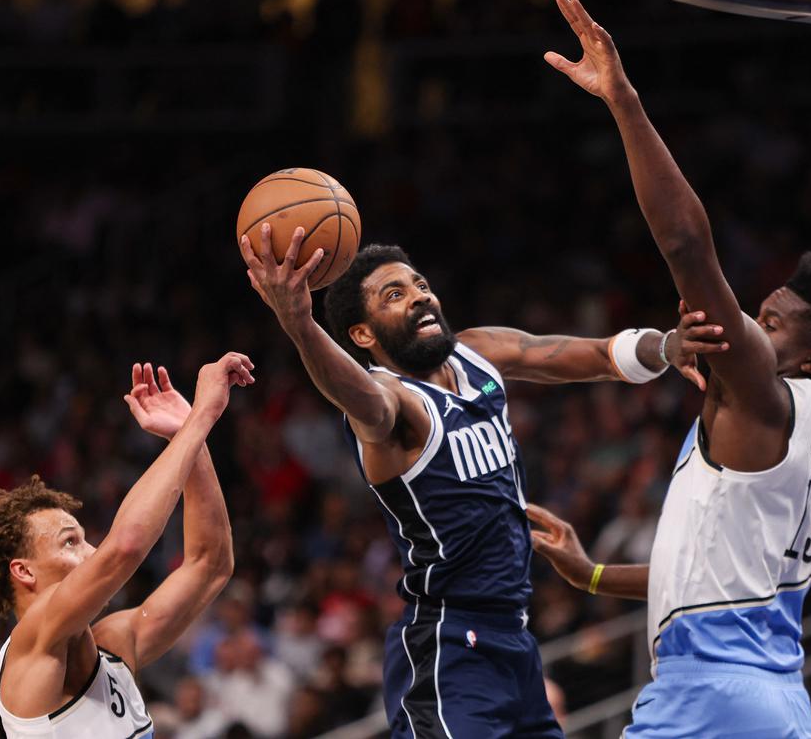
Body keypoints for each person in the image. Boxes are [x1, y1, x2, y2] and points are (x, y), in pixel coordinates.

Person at [530, 0, 811, 737]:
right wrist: (591, 574)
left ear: (810, 358)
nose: (750, 330)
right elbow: (702, 580)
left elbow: (688, 248)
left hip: (710, 697)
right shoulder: (810, 432)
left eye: (768, 324)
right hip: (779, 704)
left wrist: (624, 101)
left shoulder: (769, 399)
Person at [238, 218, 728, 734]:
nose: (420, 298)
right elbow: (358, 397)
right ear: (363, 334)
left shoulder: (475, 352)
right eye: (395, 295)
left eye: (421, 285)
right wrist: (299, 323)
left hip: (514, 639)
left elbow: (594, 354)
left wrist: (666, 346)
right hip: (449, 646)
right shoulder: (392, 401)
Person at [0, 354, 252, 737]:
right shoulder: (28, 648)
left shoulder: (114, 644)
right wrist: (202, 416)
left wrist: (186, 438)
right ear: (24, 570)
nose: (92, 553)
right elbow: (125, 547)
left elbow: (210, 564)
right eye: (70, 542)